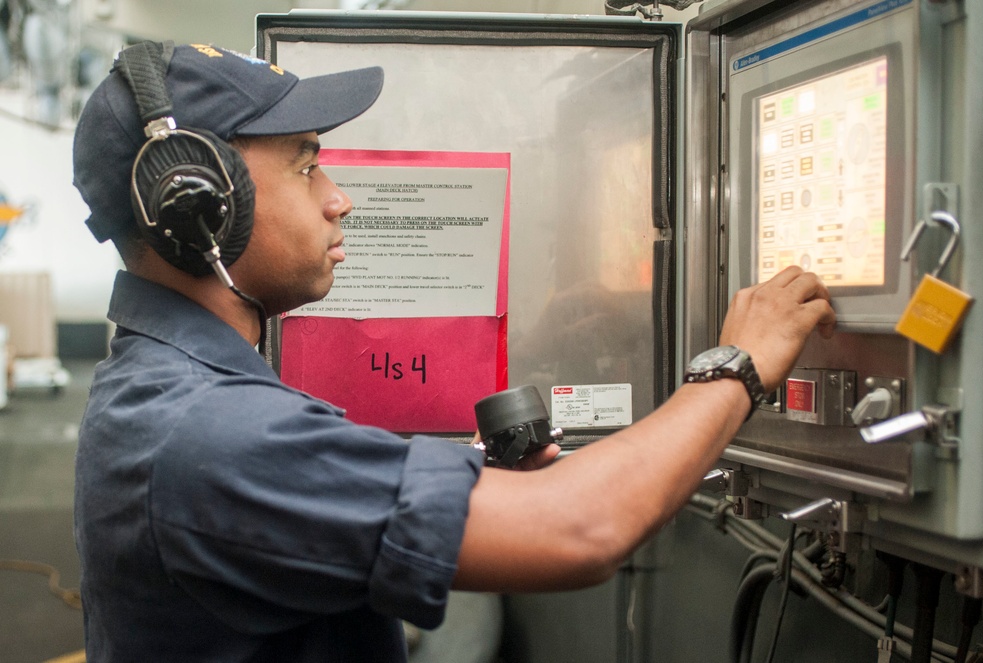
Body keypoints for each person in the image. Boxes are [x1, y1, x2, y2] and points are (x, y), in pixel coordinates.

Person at [72, 41, 836, 662]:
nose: (338, 196)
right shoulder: (211, 433)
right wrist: (737, 364)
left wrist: (475, 480)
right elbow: (584, 528)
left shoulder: (170, 392)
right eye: (306, 164)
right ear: (200, 206)